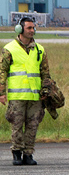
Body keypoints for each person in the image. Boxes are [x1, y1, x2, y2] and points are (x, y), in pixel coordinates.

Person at [1, 16, 51, 165]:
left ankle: (28, 154)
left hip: (35, 97)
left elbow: (45, 74)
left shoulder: (40, 50)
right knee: (16, 126)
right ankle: (16, 153)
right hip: (17, 96)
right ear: (20, 29)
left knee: (32, 126)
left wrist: (45, 91)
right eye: (29, 28)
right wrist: (1, 93)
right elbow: (1, 72)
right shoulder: (9, 49)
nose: (32, 30)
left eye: (33, 28)